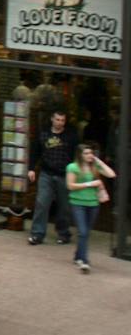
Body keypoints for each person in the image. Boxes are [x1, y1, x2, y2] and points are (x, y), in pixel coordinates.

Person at [26, 107, 77, 246]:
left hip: (64, 174)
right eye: (57, 119)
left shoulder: (71, 136)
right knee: (42, 203)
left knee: (64, 206)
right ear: (52, 119)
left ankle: (64, 233)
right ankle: (37, 234)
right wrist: (31, 168)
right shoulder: (43, 134)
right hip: (46, 173)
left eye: (62, 120)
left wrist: (75, 173)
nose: (60, 122)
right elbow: (35, 151)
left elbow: (75, 155)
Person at [66, 142, 115, 272]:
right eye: (86, 153)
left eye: (91, 153)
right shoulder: (73, 167)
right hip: (77, 203)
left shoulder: (95, 167)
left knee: (86, 233)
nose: (89, 155)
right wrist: (90, 184)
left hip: (93, 204)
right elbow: (70, 186)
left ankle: (78, 255)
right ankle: (84, 261)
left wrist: (99, 161)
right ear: (80, 155)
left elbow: (111, 174)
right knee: (82, 232)